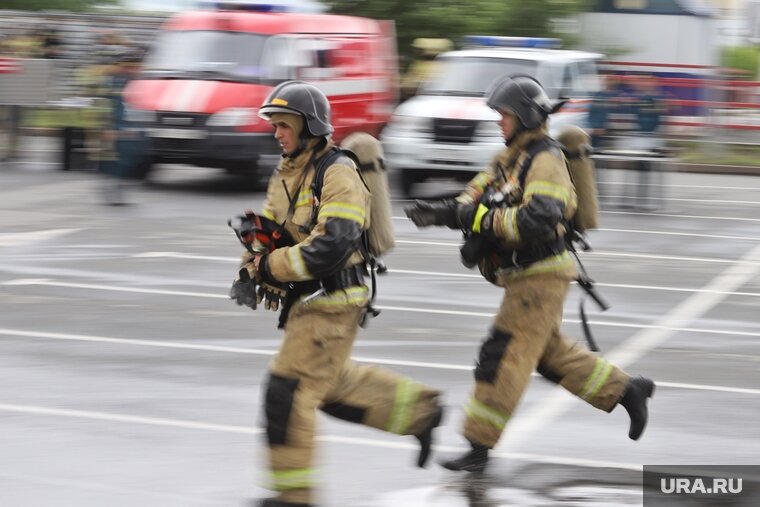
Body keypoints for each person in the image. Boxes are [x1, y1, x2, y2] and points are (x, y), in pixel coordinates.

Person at [404, 74, 655, 474]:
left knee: (501, 355)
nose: (497, 122)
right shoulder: (508, 160)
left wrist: (481, 220)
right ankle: (627, 391)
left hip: (541, 275)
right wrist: (439, 212)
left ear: (523, 115)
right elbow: (473, 198)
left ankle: (478, 446)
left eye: (503, 114)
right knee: (549, 356)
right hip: (525, 276)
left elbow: (540, 218)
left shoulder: (546, 160)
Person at [231, 81, 443, 507]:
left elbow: (333, 245)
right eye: (274, 125)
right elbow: (269, 230)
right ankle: (421, 411)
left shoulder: (338, 173)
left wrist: (273, 267)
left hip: (334, 302)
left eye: (283, 124)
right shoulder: (286, 173)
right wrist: (248, 269)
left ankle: (293, 496)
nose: (276, 133)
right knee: (329, 386)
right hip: (308, 305)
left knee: (287, 391)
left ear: (308, 126)